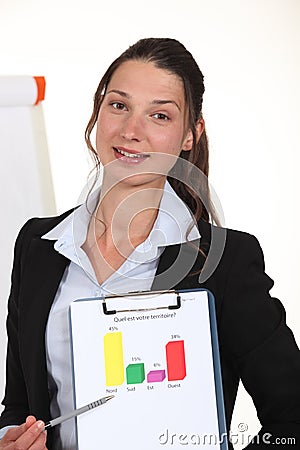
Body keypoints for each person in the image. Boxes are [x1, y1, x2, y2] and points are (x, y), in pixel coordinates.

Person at [0, 37, 299, 450]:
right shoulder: (38, 246)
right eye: (119, 105)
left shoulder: (226, 262)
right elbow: (19, 406)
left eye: (159, 115)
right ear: (98, 112)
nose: (130, 131)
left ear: (191, 135)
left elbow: (292, 421)